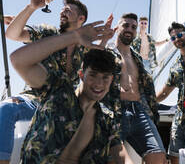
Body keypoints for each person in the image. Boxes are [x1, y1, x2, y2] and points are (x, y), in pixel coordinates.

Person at [9, 19, 133, 163]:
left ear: (111, 80)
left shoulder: (106, 120)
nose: (99, 84)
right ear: (81, 74)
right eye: (93, 75)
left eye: (105, 78)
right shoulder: (57, 89)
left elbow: (120, 153)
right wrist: (74, 36)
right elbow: (18, 60)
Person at [0, 0, 88, 163]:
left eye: (68, 11)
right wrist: (31, 7)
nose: (63, 12)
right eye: (62, 10)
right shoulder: (47, 33)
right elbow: (12, 34)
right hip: (35, 99)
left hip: (64, 105)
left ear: (81, 19)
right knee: (7, 107)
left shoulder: (85, 50)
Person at [107, 13, 167, 164]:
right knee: (113, 158)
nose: (129, 29)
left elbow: (147, 50)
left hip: (139, 111)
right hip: (114, 112)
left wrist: (143, 32)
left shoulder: (137, 58)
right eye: (125, 25)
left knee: (158, 156)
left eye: (133, 27)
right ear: (117, 28)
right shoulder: (105, 52)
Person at [156, 22, 185, 164]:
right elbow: (164, 93)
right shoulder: (175, 66)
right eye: (173, 38)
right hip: (180, 114)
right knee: (174, 155)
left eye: (179, 35)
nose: (177, 39)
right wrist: (147, 101)